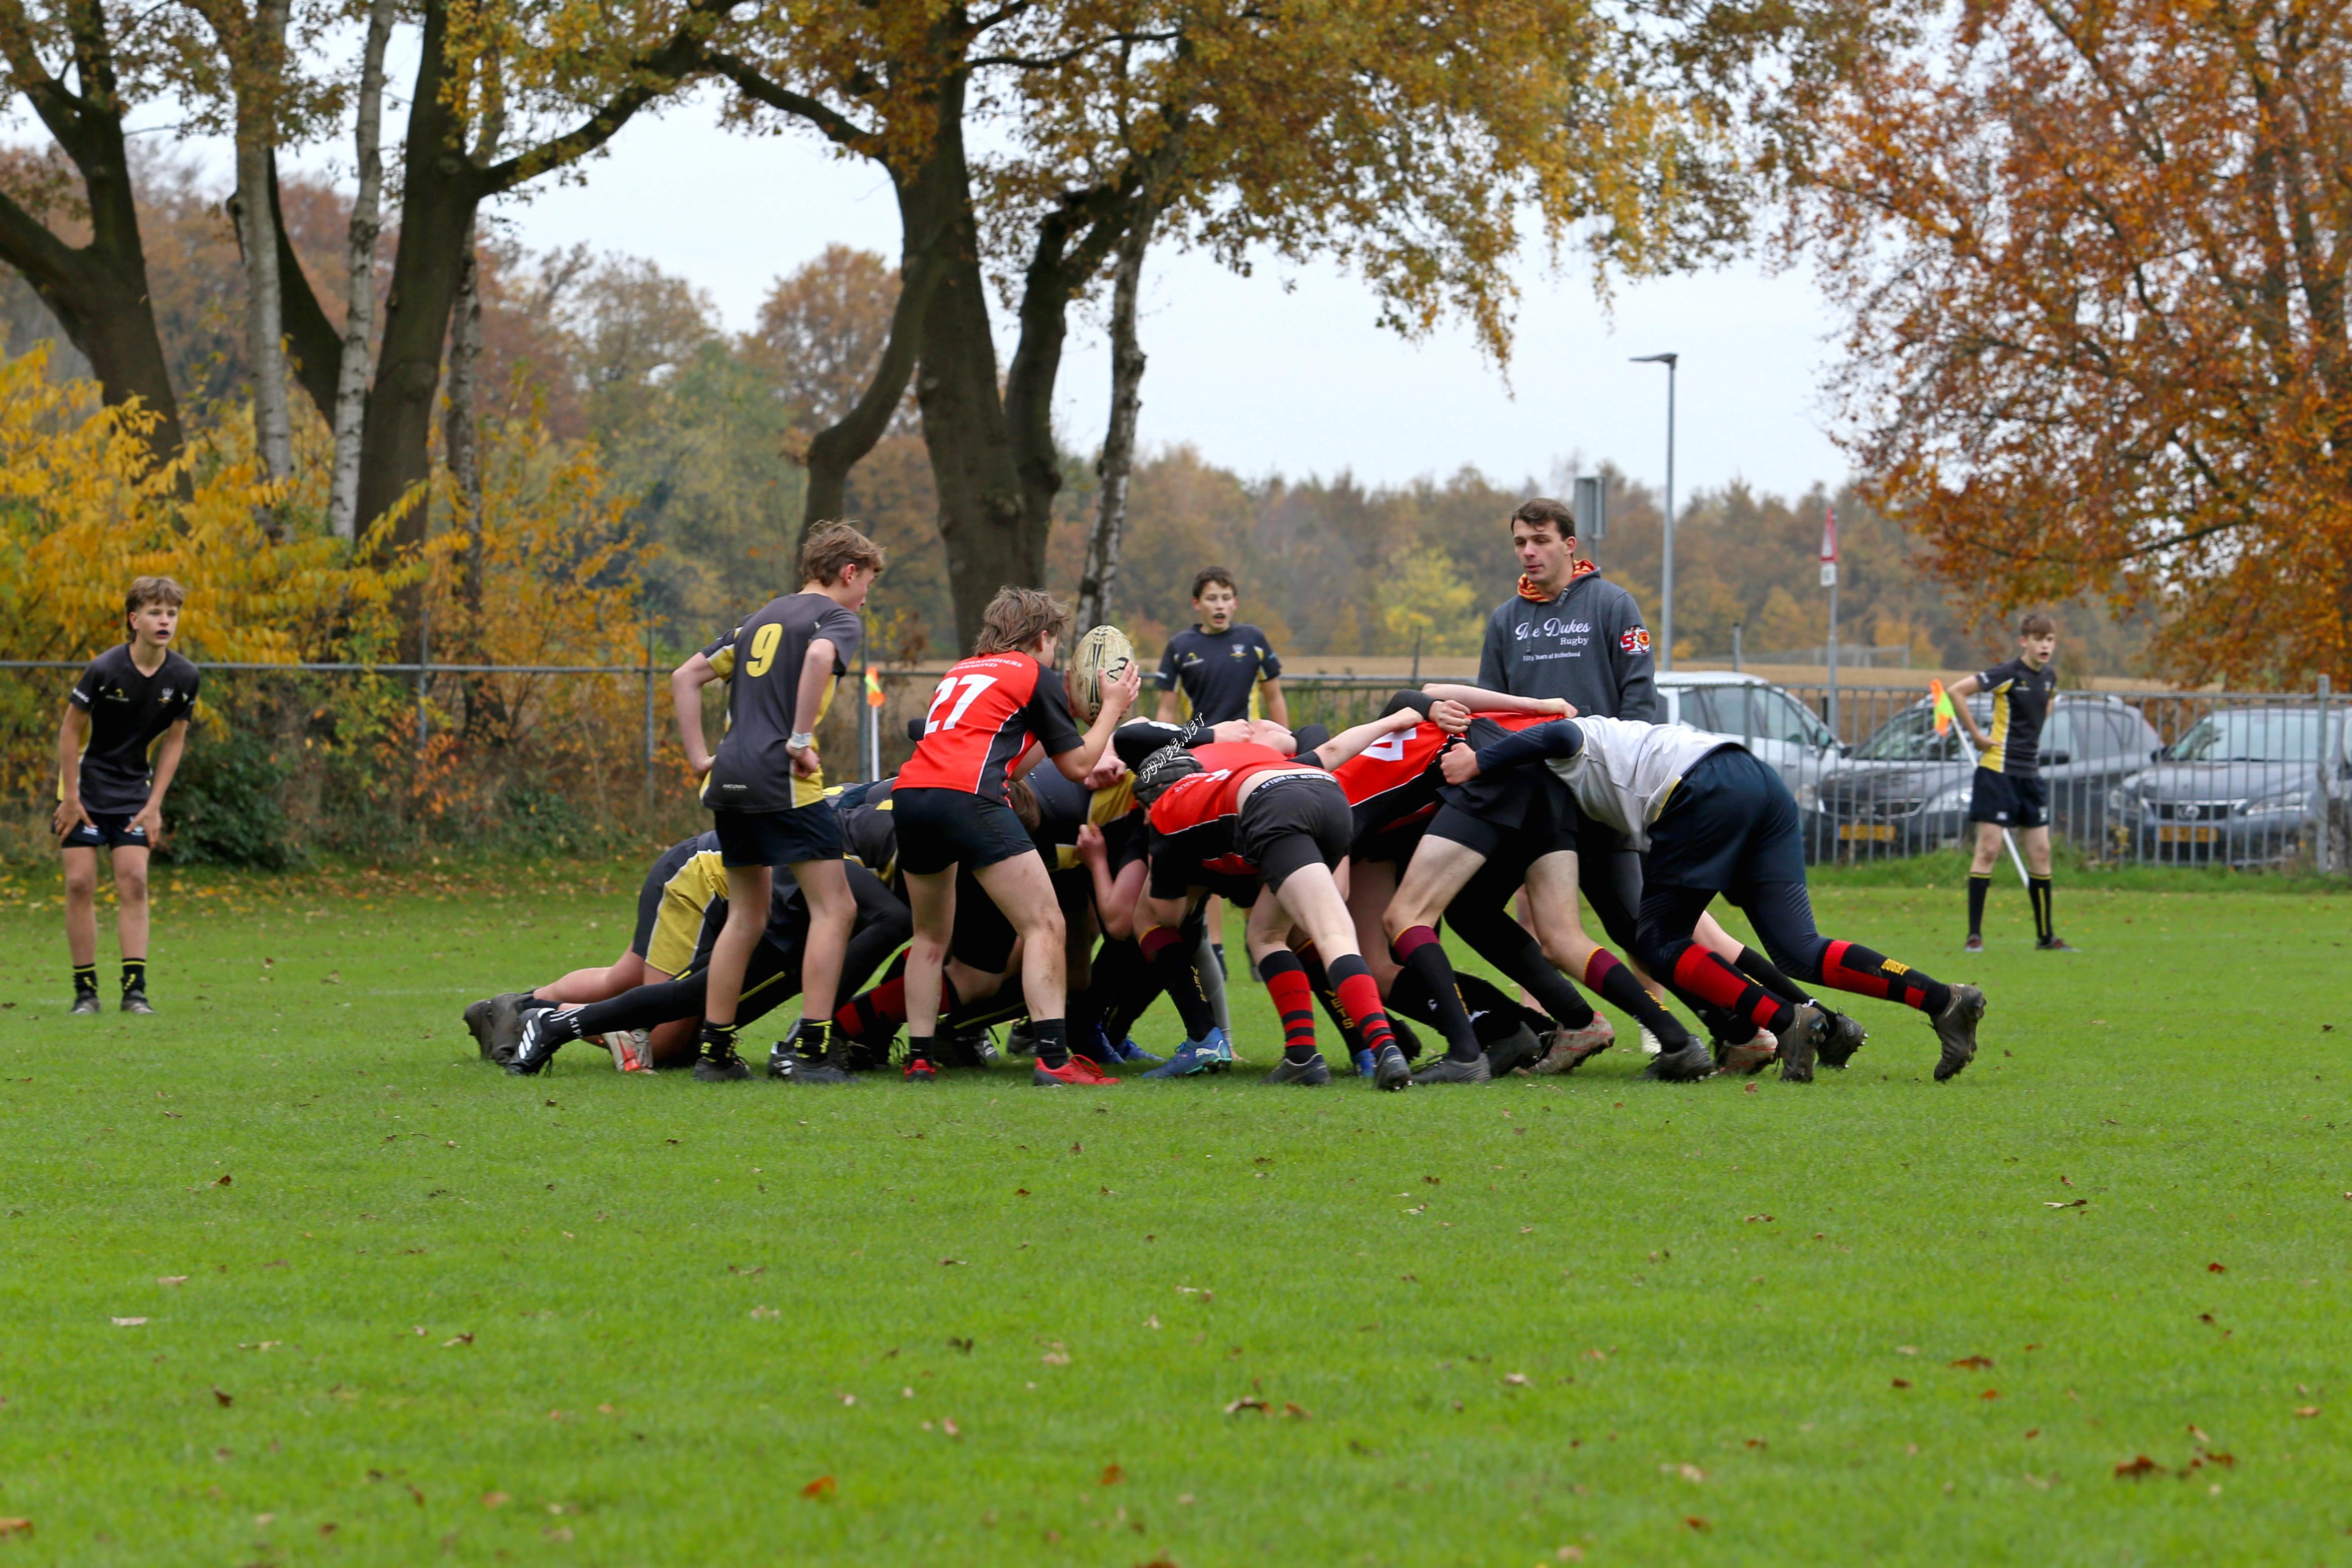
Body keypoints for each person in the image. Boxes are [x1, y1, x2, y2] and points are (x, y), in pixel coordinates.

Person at [1444, 715, 1987, 1083]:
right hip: (1756, 782)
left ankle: (1781, 1020)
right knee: (1798, 948)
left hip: (1702, 789)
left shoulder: (1565, 741)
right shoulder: (1600, 757)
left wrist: (1476, 763)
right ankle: (1942, 999)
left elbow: (1558, 734)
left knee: (1656, 940)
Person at [894, 587, 1143, 1085]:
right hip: (966, 798)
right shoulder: (1033, 673)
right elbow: (1075, 767)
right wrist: (1112, 706)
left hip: (911, 795)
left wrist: (1066, 717)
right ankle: (1053, 1058)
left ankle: (919, 1058)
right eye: (1055, 643)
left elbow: (1009, 759)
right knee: (1046, 923)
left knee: (928, 938)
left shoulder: (962, 670)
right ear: (1043, 636)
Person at [671, 522, 885, 1083]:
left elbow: (685, 675)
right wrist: (798, 739)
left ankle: (714, 1053)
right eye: (866, 582)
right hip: (781, 778)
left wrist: (699, 757)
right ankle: (809, 1050)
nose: (866, 595)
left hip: (729, 778)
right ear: (847, 572)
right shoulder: (837, 618)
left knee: (746, 913)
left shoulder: (759, 618)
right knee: (836, 909)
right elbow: (819, 660)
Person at [508, 865, 910, 1073]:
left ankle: (545, 1016)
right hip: (730, 886)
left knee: (675, 1004)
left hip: (781, 892)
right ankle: (546, 1016)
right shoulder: (780, 761)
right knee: (668, 1035)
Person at [1153, 566, 1287, 1038]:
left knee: (1250, 845)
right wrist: (1167, 754)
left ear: (1235, 601)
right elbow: (1167, 714)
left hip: (1248, 753)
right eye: (1211, 597)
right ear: (1197, 604)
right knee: (1204, 854)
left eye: (1227, 597)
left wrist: (1282, 743)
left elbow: (1274, 699)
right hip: (1199, 755)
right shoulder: (1179, 647)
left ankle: (1261, 937)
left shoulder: (1253, 640)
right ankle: (1216, 945)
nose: (1219, 604)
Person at [54, 576, 197, 1016]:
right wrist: (72, 798)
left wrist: (154, 805)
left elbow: (174, 742)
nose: (165, 620)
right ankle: (86, 993)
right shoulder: (104, 669)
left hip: (134, 791)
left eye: (171, 613)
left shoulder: (185, 676)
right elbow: (69, 731)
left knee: (134, 881)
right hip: (85, 787)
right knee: (80, 883)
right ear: (134, 620)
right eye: (155, 612)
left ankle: (134, 992)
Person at [466, 832, 724, 1071]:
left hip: (696, 865)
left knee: (625, 978)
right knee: (662, 1045)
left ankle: (514, 1008)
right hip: (698, 880)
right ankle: (533, 1016)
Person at [1948, 613, 2070, 952]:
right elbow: (1956, 691)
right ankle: (1974, 935)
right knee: (1988, 849)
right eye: (2038, 638)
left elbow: (2039, 715)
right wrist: (1976, 735)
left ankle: (2045, 937)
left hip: (2029, 775)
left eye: (2050, 639)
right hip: (1997, 773)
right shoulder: (2007, 673)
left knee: (2041, 853)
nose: (2044, 645)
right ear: (2024, 641)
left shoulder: (2049, 677)